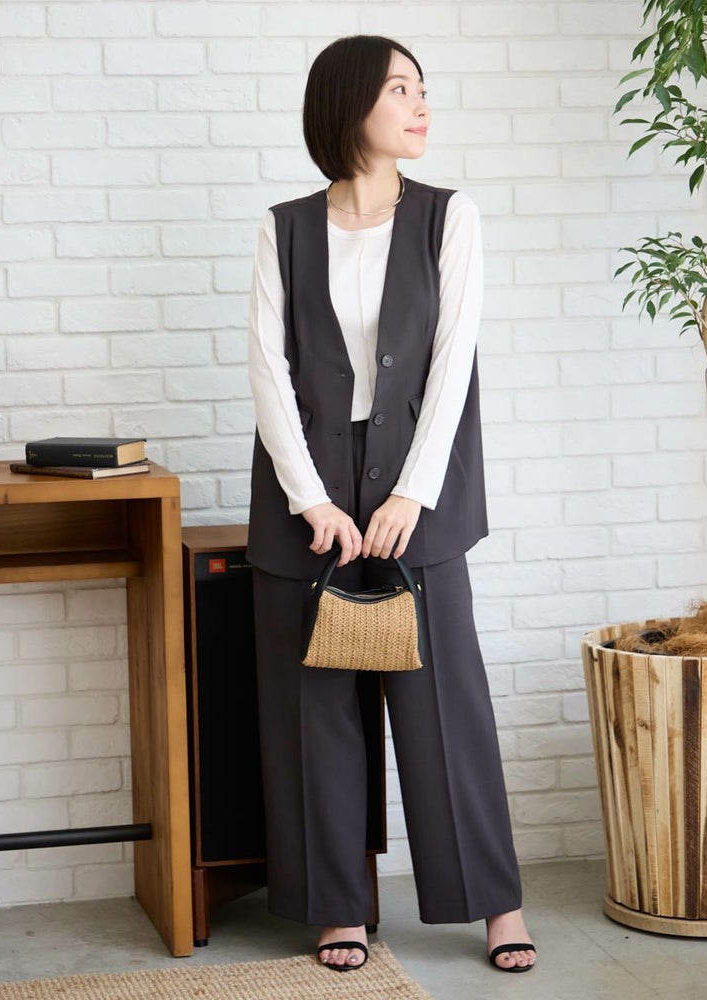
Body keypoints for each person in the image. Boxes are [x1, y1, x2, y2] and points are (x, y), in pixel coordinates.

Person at [246, 34, 536, 975]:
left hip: (423, 489)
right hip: (309, 492)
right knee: (317, 709)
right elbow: (267, 370)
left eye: (422, 90)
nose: (420, 106)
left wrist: (413, 488)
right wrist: (310, 499)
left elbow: (454, 362)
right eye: (399, 90)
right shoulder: (287, 228)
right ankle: (338, 908)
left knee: (446, 703)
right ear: (349, 105)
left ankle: (495, 904)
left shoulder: (451, 217)